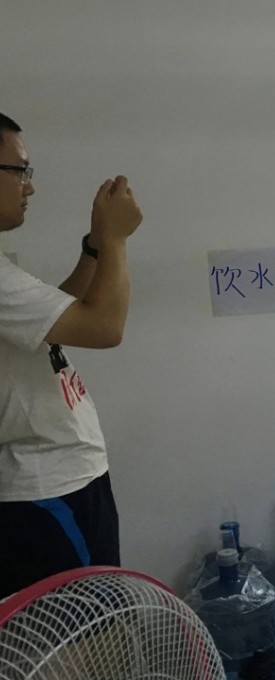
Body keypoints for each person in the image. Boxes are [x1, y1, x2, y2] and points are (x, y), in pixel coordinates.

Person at [0, 112, 143, 599]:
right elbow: (103, 327)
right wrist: (118, 239)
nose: (29, 186)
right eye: (18, 170)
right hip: (46, 489)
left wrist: (96, 247)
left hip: (64, 479)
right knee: (83, 637)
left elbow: (55, 321)